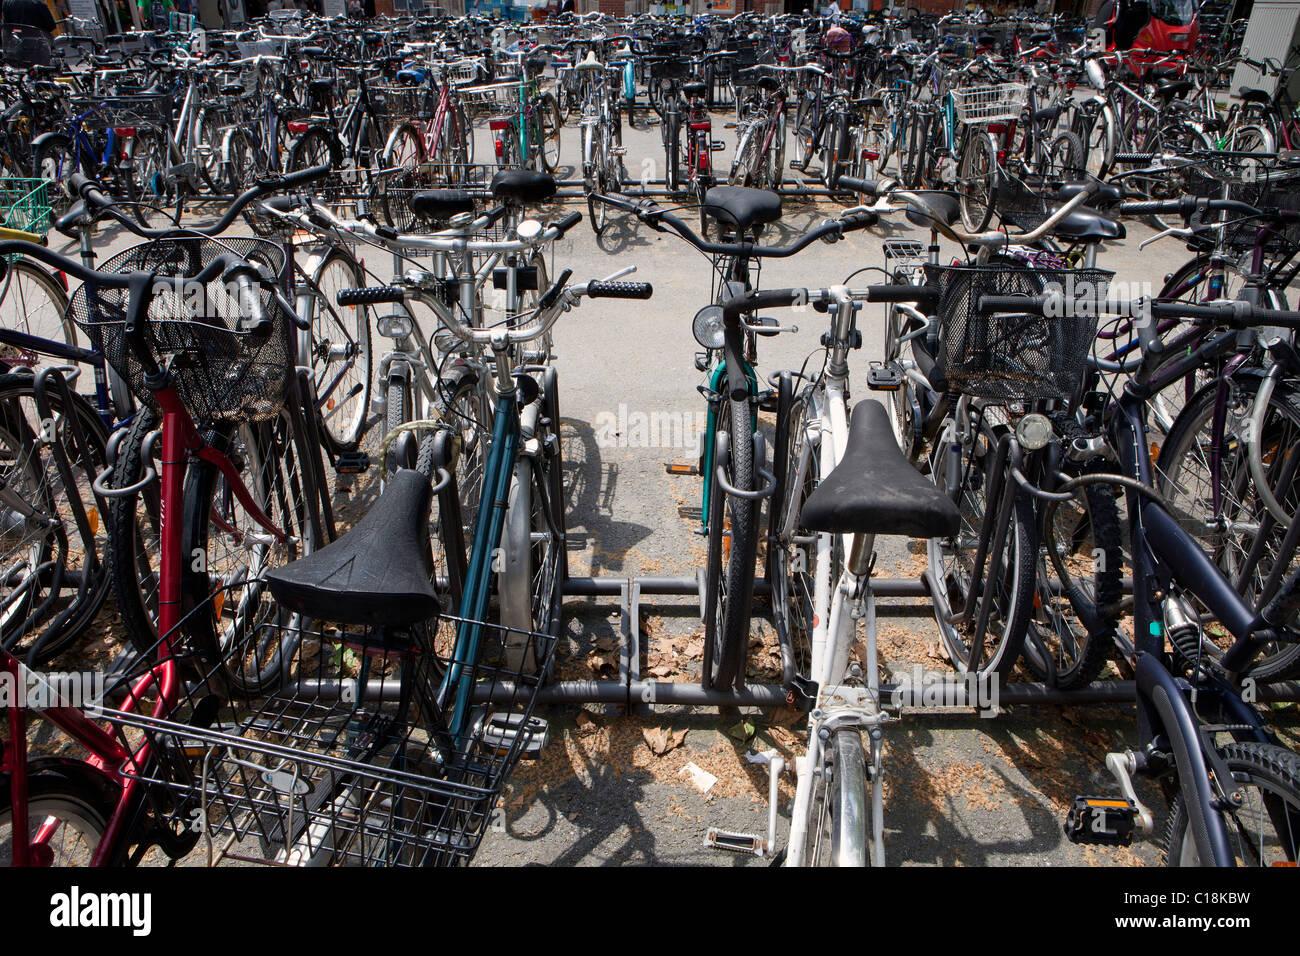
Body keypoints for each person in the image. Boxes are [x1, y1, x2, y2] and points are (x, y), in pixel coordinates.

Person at [1, 0, 56, 66]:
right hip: (39, 47)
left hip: (19, 46)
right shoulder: (38, 2)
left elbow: (8, 27)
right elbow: (51, 26)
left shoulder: (7, 3)